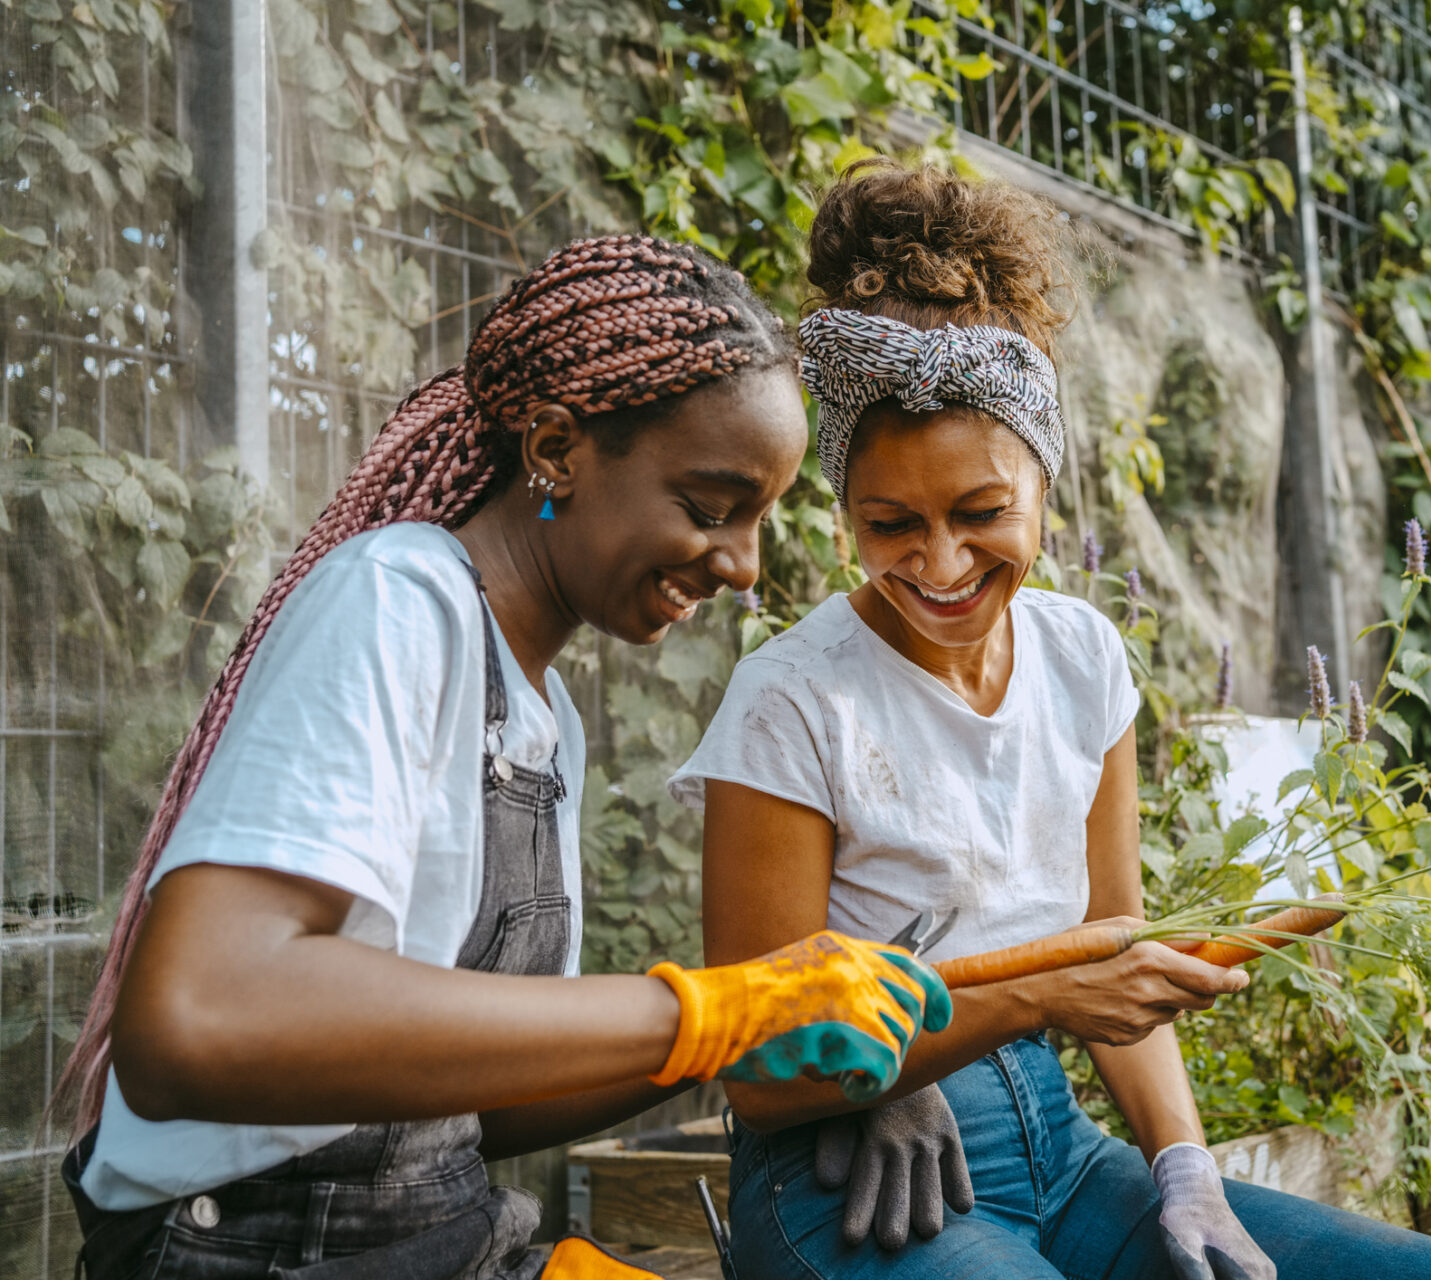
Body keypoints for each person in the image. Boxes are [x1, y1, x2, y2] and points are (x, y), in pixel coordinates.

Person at [672, 162, 1431, 1280]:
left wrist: (1185, 1163)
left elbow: (1113, 949)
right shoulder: (795, 699)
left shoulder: (1083, 656)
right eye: (890, 522)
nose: (940, 563)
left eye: (983, 512)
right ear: (842, 506)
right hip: (851, 1182)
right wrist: (995, 1012)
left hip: (1067, 1152)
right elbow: (759, 1065)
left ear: (1046, 482)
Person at [56, 235, 950, 1280]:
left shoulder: (540, 711)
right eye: (710, 508)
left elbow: (482, 1099)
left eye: (757, 520)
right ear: (560, 448)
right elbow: (199, 1018)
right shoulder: (397, 600)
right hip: (255, 1246)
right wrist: (704, 1009)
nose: (743, 565)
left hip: (442, 1238)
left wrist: (743, 1023)